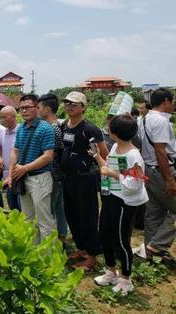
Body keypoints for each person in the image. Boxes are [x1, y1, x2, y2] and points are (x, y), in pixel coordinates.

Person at [92, 115, 148, 296]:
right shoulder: (115, 147)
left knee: (120, 241)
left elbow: (136, 182)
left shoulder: (134, 155)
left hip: (125, 202)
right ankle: (111, 271)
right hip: (110, 196)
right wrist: (97, 157)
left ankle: (126, 278)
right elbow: (108, 167)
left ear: (114, 133)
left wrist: (113, 174)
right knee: (104, 235)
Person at [61, 91, 109, 272]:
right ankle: (81, 249)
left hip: (85, 179)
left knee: (88, 217)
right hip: (69, 179)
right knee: (72, 215)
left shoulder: (89, 129)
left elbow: (103, 153)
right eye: (67, 103)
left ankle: (92, 255)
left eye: (74, 104)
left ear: (83, 107)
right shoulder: (65, 125)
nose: (69, 106)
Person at [5, 94, 55, 244]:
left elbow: (48, 156)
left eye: (28, 107)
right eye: (21, 108)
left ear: (36, 108)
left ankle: (48, 256)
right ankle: (32, 252)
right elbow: (15, 151)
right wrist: (11, 173)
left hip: (39, 178)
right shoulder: (22, 128)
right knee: (28, 218)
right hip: (22, 177)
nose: (24, 111)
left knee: (44, 219)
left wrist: (24, 168)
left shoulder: (45, 128)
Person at [138, 88, 176, 263]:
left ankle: (151, 254)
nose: (174, 104)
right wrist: (169, 179)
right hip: (162, 171)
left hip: (148, 170)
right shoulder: (160, 122)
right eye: (173, 101)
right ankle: (158, 245)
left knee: (154, 211)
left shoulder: (145, 119)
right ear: (166, 101)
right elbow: (161, 152)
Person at [37, 93, 68, 243]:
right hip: (58, 173)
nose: (37, 110)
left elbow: (55, 153)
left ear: (47, 109)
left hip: (53, 173)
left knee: (49, 208)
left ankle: (52, 240)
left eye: (39, 108)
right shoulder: (58, 126)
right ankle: (62, 235)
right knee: (59, 206)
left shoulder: (52, 128)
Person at [0, 106, 21, 210]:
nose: (2, 120)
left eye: (4, 117)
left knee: (22, 206)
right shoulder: (2, 132)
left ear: (14, 116)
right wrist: (0, 158)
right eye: (1, 117)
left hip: (19, 174)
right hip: (7, 174)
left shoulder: (21, 131)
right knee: (12, 205)